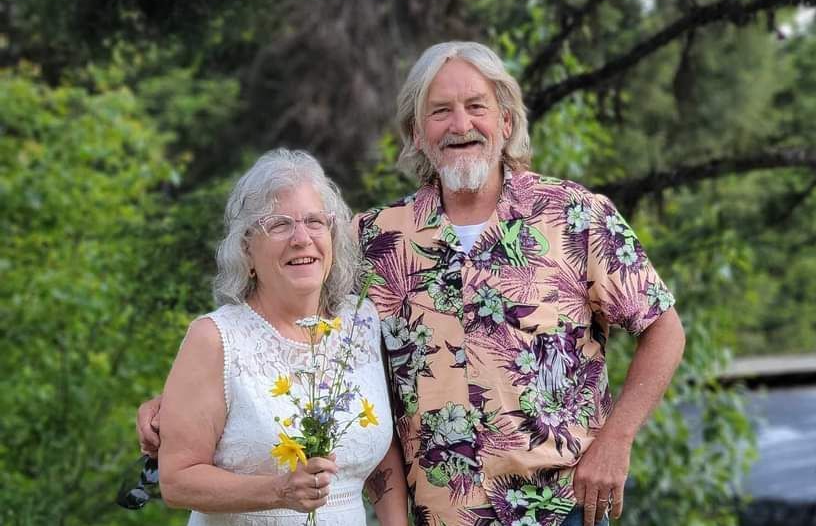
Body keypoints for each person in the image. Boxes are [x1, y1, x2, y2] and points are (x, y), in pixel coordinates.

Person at [141, 42, 685, 526]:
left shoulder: (575, 216)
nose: (460, 124)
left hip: (560, 508)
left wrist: (616, 439)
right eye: (440, 111)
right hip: (435, 515)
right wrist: (178, 402)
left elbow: (663, 329)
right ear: (416, 133)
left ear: (506, 120)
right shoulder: (373, 239)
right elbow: (286, 314)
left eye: (476, 106)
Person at [152, 149, 408, 525]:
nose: (301, 238)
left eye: (314, 221)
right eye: (279, 224)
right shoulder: (216, 337)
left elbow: (381, 452)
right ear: (247, 250)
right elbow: (176, 480)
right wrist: (278, 490)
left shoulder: (363, 321)